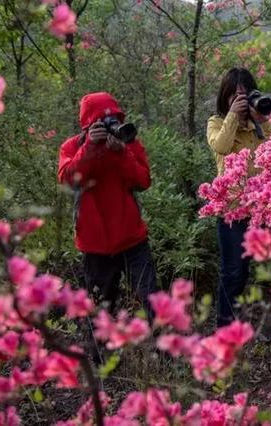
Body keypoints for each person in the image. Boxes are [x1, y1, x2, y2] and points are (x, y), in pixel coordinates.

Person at [57, 92, 157, 319]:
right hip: (95, 246)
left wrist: (122, 154)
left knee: (152, 302)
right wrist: (90, 147)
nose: (113, 125)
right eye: (105, 121)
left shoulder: (127, 143)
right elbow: (69, 181)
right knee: (101, 312)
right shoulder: (72, 147)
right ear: (88, 125)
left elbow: (143, 181)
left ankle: (165, 354)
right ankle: (99, 355)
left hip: (133, 240)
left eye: (115, 119)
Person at [207, 68, 271, 327]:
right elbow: (221, 146)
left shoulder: (259, 125)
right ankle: (224, 326)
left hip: (261, 209)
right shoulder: (216, 123)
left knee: (261, 271)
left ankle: (259, 324)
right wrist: (233, 116)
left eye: (246, 95)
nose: (242, 100)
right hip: (232, 211)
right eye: (236, 95)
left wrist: (262, 119)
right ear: (226, 97)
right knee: (233, 271)